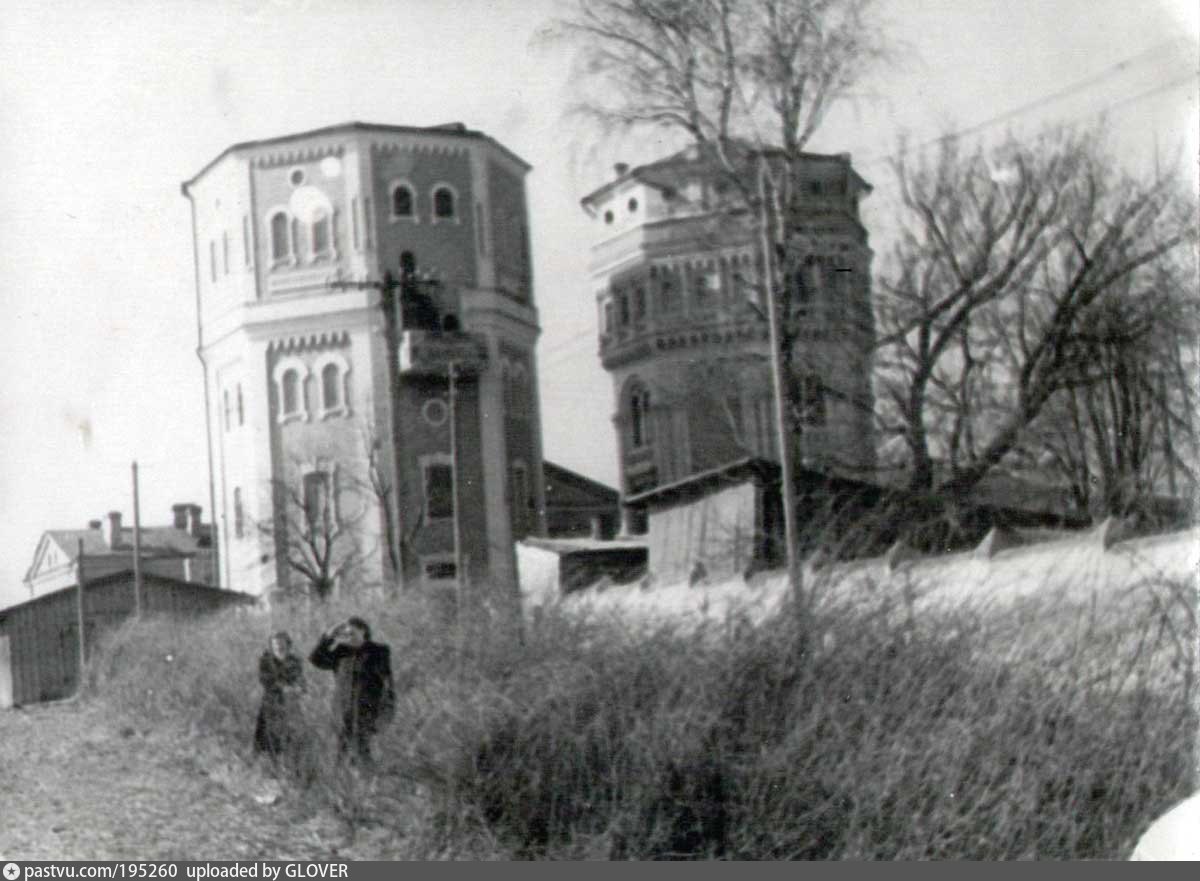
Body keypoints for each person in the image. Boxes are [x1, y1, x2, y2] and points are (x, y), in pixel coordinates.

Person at [309, 616, 396, 764]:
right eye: (346, 634)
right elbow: (316, 660)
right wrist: (328, 636)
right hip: (342, 712)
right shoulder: (340, 652)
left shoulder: (379, 651)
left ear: (363, 631)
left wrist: (386, 713)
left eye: (352, 633)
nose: (349, 637)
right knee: (340, 758)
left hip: (366, 712)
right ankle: (343, 785)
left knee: (364, 756)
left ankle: (369, 785)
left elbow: (387, 685)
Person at [253, 631, 305, 759]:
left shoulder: (295, 661)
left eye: (282, 644)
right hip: (272, 702)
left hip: (291, 704)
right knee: (270, 735)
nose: (279, 647)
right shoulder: (266, 660)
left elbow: (301, 679)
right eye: (275, 644)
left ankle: (291, 762)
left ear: (288, 644)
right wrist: (284, 688)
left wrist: (300, 688)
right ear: (271, 646)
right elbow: (265, 680)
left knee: (292, 735)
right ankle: (271, 763)